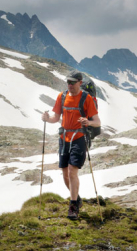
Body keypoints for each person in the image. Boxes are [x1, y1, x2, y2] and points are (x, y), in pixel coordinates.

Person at [41, 71, 101, 220]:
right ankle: (77, 199)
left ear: (80, 83)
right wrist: (47, 119)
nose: (70, 85)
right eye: (68, 82)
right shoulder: (62, 97)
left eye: (73, 82)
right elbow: (56, 118)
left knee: (72, 172)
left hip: (79, 137)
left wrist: (88, 123)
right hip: (64, 138)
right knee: (65, 173)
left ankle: (73, 206)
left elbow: (97, 122)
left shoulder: (86, 98)